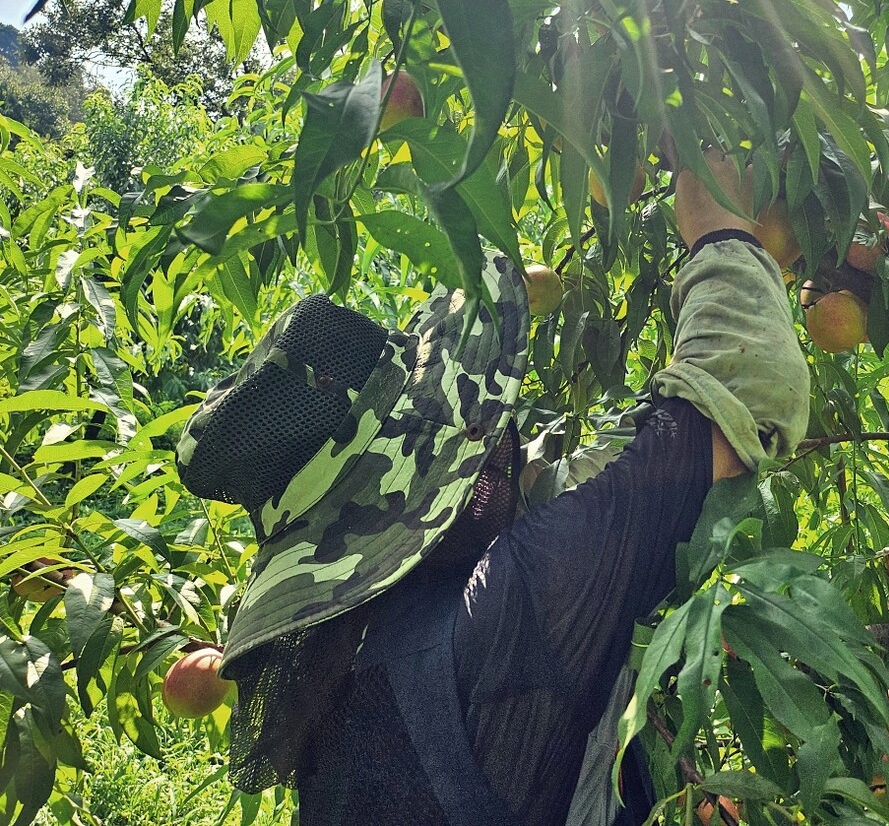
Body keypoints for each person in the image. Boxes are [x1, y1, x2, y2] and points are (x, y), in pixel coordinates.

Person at [175, 151, 809, 825]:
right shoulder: (512, 602)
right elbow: (744, 394)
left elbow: (609, 475)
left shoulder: (353, 675)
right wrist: (720, 230)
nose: (497, 453)